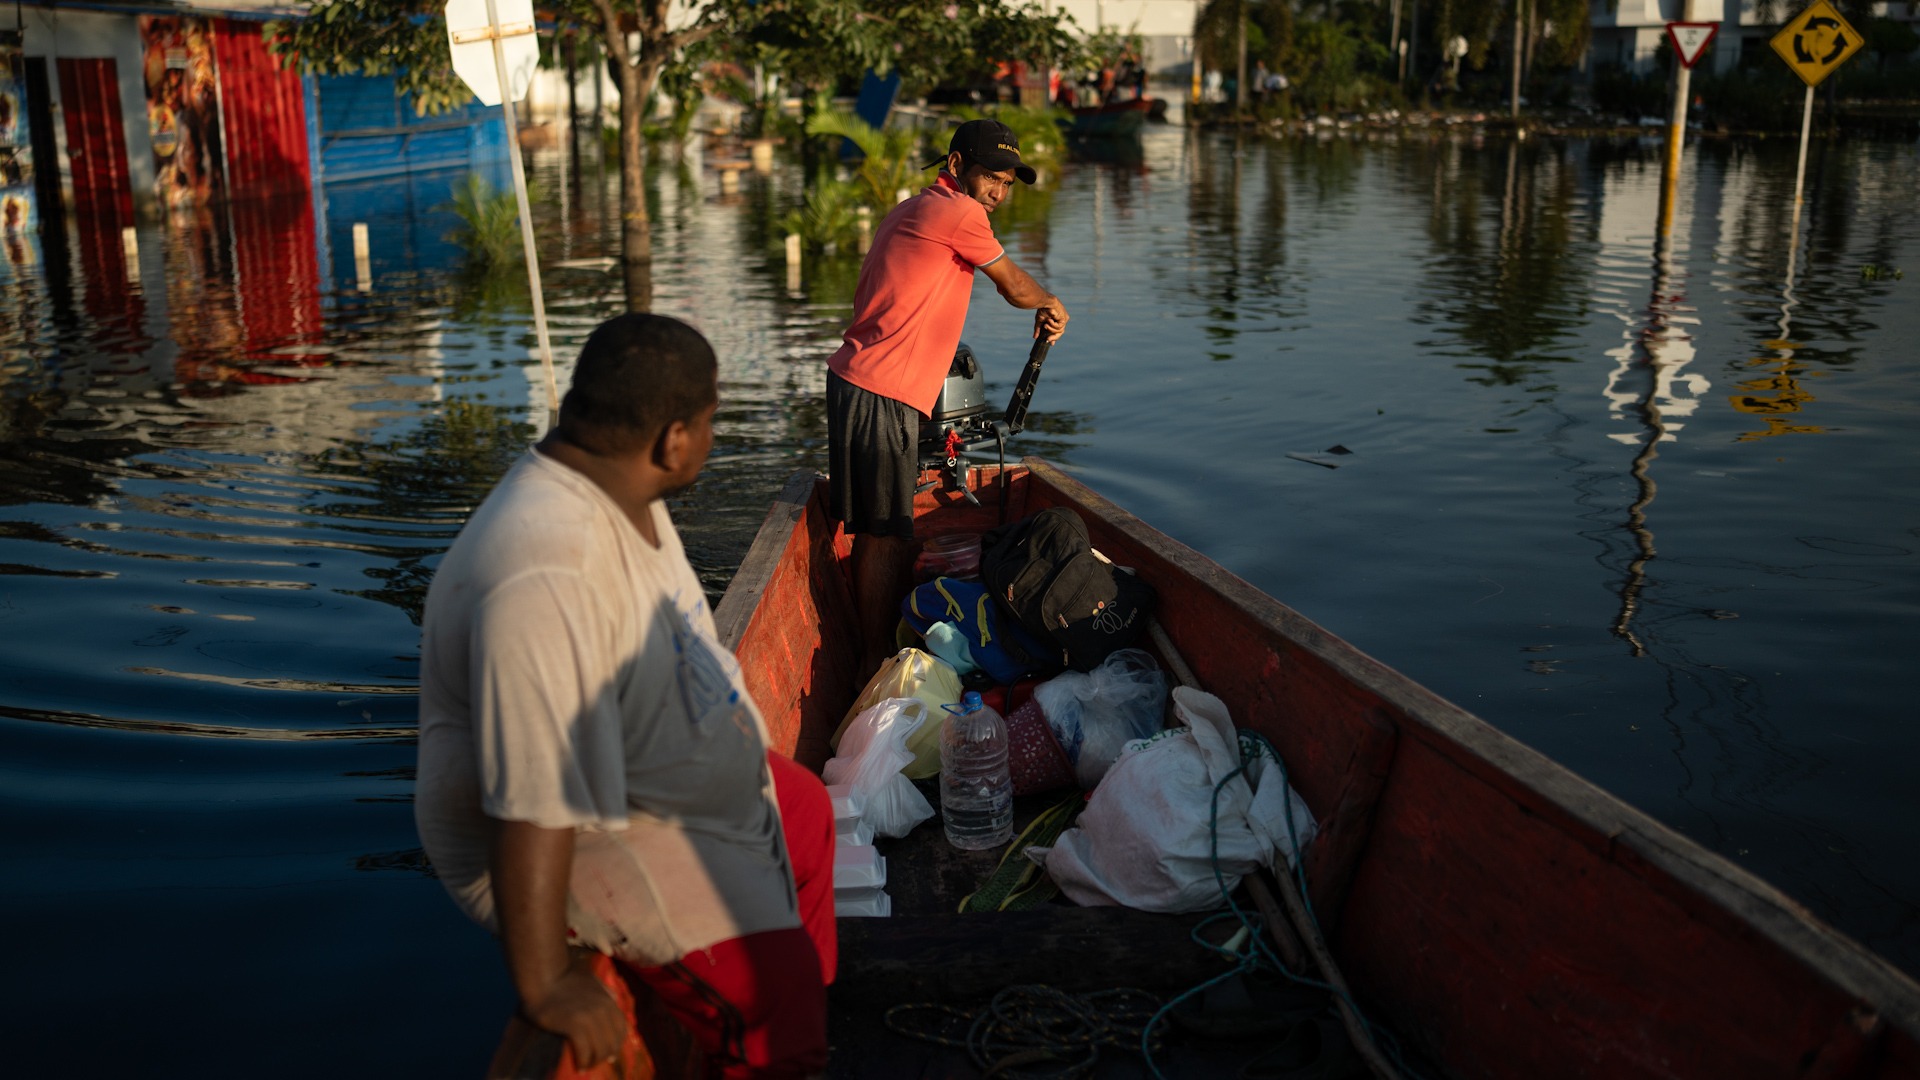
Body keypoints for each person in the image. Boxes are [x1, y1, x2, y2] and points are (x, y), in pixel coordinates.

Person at [416, 313, 837, 1078]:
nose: (712, 440)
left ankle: (804, 1002)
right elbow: (533, 807)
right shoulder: (544, 576)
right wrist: (544, 982)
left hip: (643, 778)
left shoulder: (621, 486)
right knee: (777, 1003)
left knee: (805, 814)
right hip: (580, 834)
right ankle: (777, 1035)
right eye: (710, 421)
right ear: (672, 439)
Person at [825, 119, 1069, 671]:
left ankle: (875, 649)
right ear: (956, 167)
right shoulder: (960, 212)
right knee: (886, 534)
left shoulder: (914, 208)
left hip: (860, 383)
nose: (998, 195)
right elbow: (1012, 285)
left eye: (1007, 184)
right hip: (880, 390)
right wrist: (1050, 304)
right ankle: (874, 660)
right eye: (991, 179)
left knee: (876, 527)